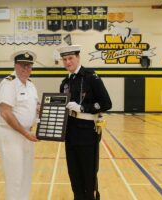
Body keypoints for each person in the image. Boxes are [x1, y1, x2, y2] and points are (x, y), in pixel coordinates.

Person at [58, 45, 112, 200]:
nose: (67, 62)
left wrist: (82, 107)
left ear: (78, 58)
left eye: (70, 58)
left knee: (88, 175)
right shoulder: (65, 83)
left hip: (88, 133)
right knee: (74, 174)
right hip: (70, 134)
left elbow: (106, 103)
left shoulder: (91, 77)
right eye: (64, 59)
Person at [0, 50, 39, 200]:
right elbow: (6, 113)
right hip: (10, 134)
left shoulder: (30, 85)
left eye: (29, 66)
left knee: (26, 174)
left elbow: (35, 106)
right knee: (15, 176)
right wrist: (25, 133)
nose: (26, 69)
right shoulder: (9, 83)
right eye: (23, 65)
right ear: (15, 65)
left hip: (26, 134)